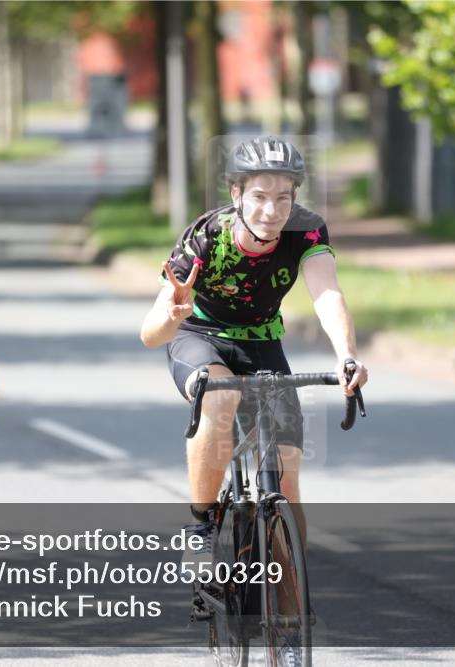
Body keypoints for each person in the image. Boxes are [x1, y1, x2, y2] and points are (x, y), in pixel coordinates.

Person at [139, 136, 369, 561]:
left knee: (286, 479)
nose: (271, 210)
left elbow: (327, 293)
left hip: (262, 341)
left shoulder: (306, 229)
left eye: (283, 198)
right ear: (236, 194)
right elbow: (150, 335)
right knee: (220, 398)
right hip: (199, 336)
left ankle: (289, 594)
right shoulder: (207, 236)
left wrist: (346, 355)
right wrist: (172, 315)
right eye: (259, 196)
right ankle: (202, 525)